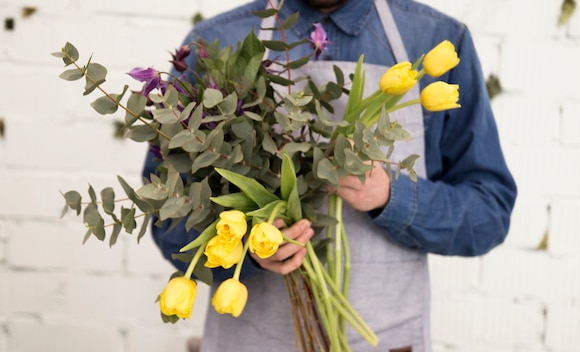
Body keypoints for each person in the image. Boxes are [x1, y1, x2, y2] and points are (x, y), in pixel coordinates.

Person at [144, 0, 517, 351]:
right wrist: (247, 247)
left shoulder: (435, 38)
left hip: (387, 341)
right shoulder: (215, 44)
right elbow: (166, 218)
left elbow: (489, 214)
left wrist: (393, 197)